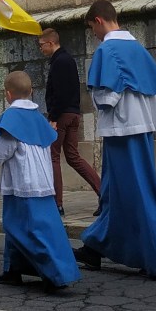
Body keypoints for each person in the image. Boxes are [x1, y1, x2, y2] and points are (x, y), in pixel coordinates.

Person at [73, 0, 156, 280]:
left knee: (134, 191)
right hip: (143, 126)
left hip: (122, 129)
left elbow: (108, 97)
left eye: (92, 29)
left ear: (98, 20)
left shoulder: (107, 49)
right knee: (115, 191)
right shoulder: (138, 48)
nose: (94, 35)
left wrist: (95, 95)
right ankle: (95, 247)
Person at [0, 70, 81, 293]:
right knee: (37, 228)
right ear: (31, 92)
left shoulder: (11, 117)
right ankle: (13, 269)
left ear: (8, 94)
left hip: (23, 185)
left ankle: (55, 274)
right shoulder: (39, 117)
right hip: (43, 182)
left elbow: (2, 151)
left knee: (23, 229)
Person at [37, 28, 101, 215]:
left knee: (53, 156)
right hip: (73, 113)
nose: (41, 49)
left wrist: (54, 118)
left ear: (50, 43)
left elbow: (60, 93)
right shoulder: (67, 60)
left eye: (42, 45)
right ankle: (104, 194)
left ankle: (57, 204)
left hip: (62, 115)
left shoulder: (60, 62)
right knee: (73, 157)